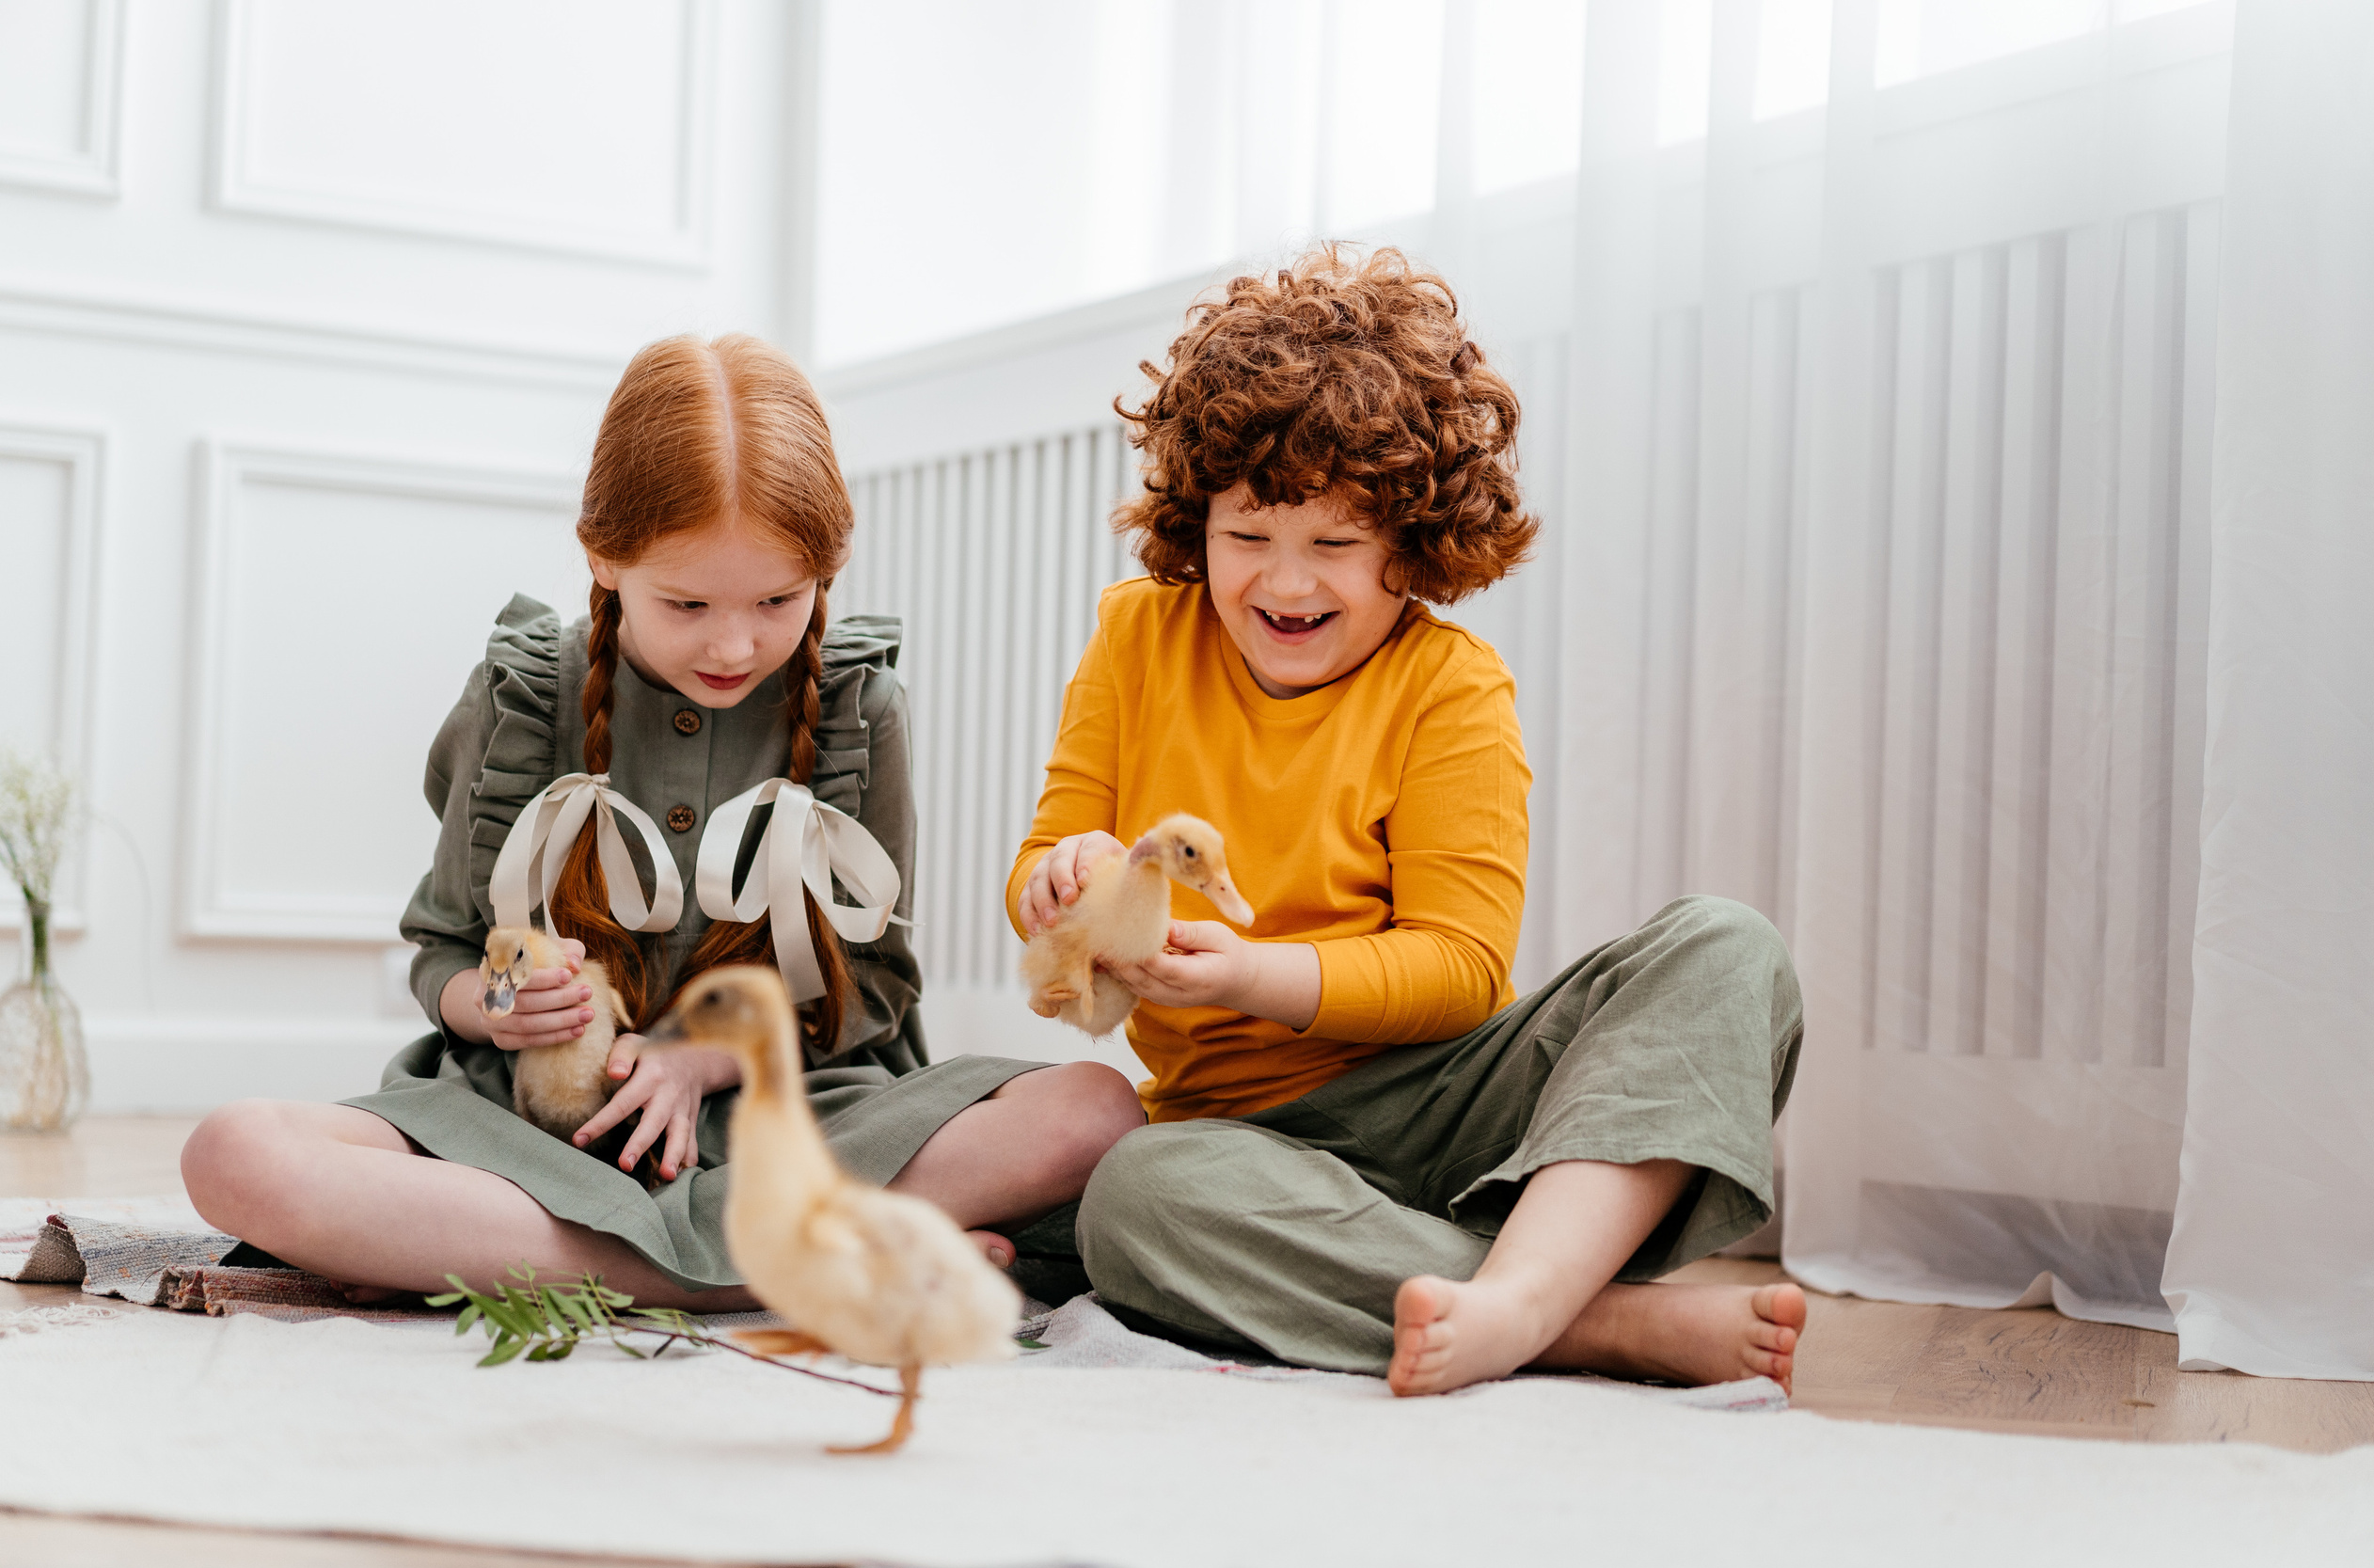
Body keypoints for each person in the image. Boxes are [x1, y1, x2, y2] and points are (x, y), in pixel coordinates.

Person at [180, 334, 1141, 1307]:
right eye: (686, 603)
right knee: (236, 1153)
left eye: (778, 600)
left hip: (799, 1112)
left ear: (829, 567)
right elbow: (444, 954)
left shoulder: (860, 707)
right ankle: (774, 1263)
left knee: (1093, 1112)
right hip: (530, 1131)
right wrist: (503, 1010)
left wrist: (706, 1060)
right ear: (603, 556)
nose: (735, 643)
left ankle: (606, 1266)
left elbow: (876, 987)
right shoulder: (521, 696)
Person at [1014, 245, 1808, 1394]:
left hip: (1453, 1106)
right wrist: (1056, 878)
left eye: (1333, 545)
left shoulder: (1451, 687)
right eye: (1247, 538)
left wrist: (1253, 976)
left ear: (1413, 543)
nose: (1286, 585)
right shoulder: (1137, 635)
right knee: (1136, 1198)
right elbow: (1051, 851)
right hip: (1241, 1146)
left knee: (1728, 947)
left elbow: (1459, 970)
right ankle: (1593, 1323)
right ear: (1199, 523)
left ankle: (1519, 1296)